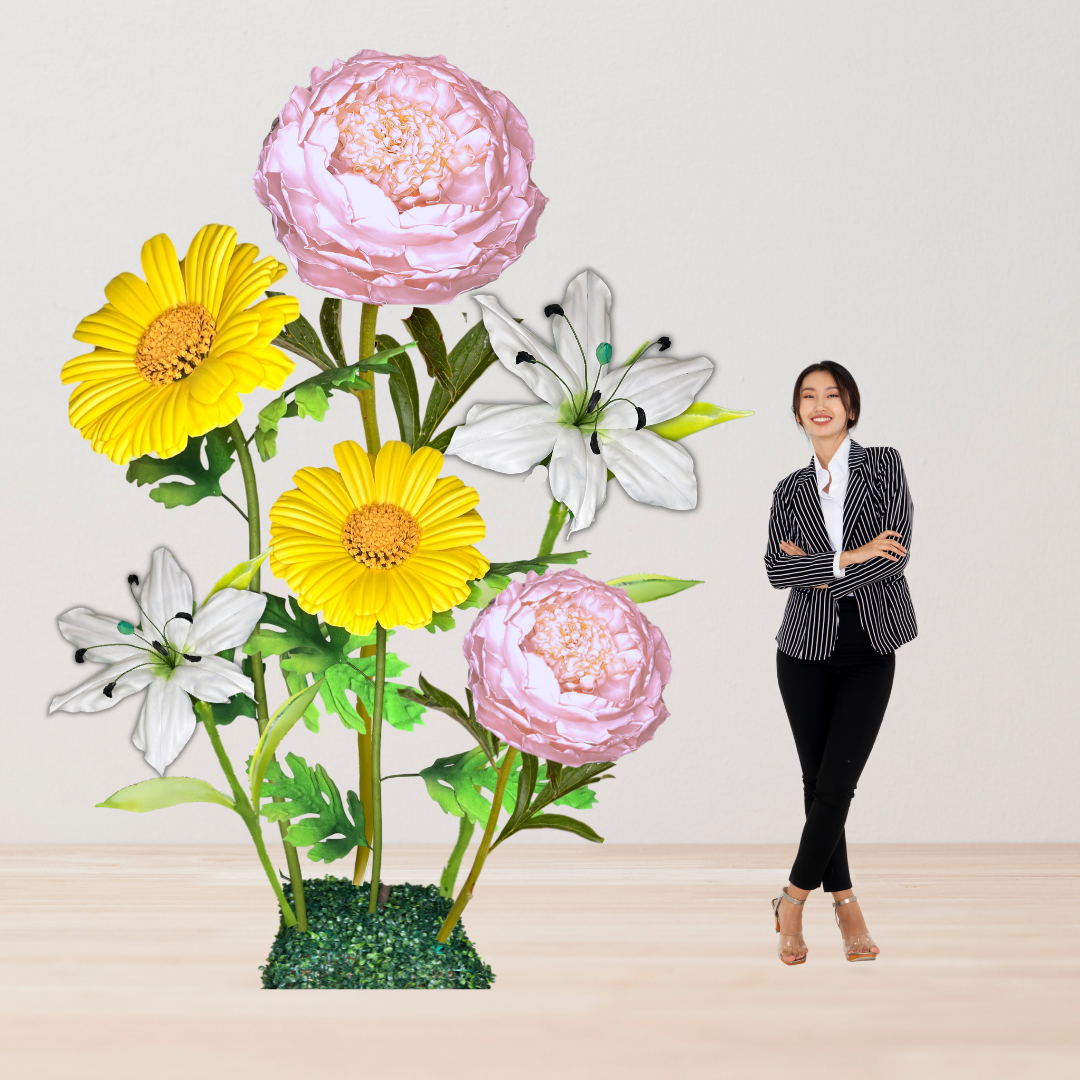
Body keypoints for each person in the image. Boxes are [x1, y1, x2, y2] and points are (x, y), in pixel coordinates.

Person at [763, 361, 916, 964]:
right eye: (808, 395)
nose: (820, 404)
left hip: (871, 649)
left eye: (832, 394)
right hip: (802, 652)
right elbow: (778, 572)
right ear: (797, 411)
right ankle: (846, 898)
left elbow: (895, 554)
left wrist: (819, 563)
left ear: (851, 407)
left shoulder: (884, 466)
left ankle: (793, 899)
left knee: (837, 784)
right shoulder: (789, 491)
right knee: (819, 785)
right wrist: (852, 554)